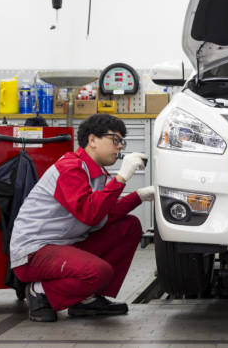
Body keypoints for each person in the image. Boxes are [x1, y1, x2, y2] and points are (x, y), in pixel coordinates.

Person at [9, 113, 155, 322]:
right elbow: (89, 213)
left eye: (122, 141)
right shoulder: (70, 167)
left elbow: (103, 214)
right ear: (92, 140)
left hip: (64, 244)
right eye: (115, 140)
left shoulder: (95, 172)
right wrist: (121, 178)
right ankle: (39, 291)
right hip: (34, 252)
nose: (120, 147)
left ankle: (87, 299)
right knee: (98, 272)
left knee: (129, 226)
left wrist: (140, 196)